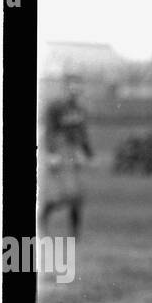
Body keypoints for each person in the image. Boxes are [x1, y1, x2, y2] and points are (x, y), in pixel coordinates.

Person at [40, 75, 94, 237]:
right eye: (71, 88)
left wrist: (88, 152)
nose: (75, 91)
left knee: (77, 194)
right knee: (59, 196)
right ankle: (41, 220)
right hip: (60, 152)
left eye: (78, 88)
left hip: (74, 153)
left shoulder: (80, 109)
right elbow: (50, 131)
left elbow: (82, 133)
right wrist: (51, 153)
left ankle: (75, 234)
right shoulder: (55, 107)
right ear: (65, 88)